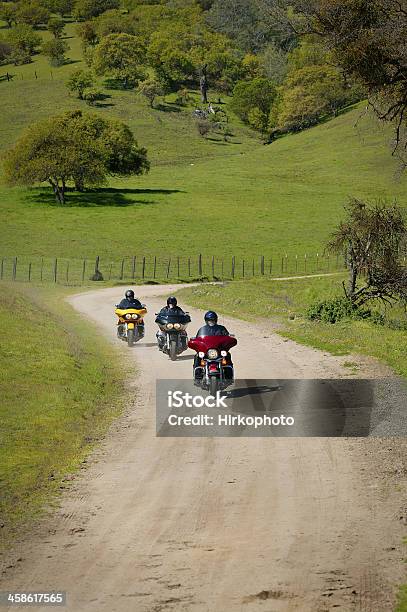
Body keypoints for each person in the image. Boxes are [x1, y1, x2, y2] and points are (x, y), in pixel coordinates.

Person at [193, 311, 233, 380]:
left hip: (218, 350)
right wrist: (195, 341)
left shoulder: (221, 328)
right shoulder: (202, 329)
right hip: (207, 351)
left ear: (215, 320)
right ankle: (198, 376)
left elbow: (227, 337)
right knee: (197, 356)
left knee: (227, 355)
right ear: (206, 320)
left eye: (212, 320)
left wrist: (230, 338)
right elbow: (198, 339)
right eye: (209, 320)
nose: (211, 322)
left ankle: (229, 376)